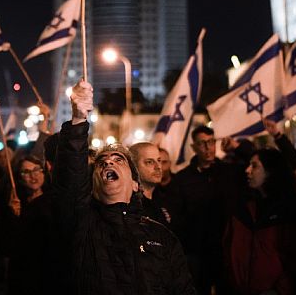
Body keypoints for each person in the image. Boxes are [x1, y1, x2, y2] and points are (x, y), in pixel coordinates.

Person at [54, 80, 195, 294]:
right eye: (102, 163)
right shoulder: (82, 225)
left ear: (135, 183)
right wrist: (78, 120)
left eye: (118, 160)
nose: (108, 163)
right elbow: (70, 177)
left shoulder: (160, 235)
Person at [166, 125, 247, 295]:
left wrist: (238, 148)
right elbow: (176, 216)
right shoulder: (182, 179)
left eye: (211, 142)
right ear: (193, 147)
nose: (208, 147)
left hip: (227, 249)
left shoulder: (229, 172)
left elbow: (254, 162)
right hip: (197, 252)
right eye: (202, 143)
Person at [222, 148, 296, 294]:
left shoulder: (289, 211)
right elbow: (227, 246)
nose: (247, 170)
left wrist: (280, 289)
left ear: (270, 171)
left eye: (254, 166)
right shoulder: (242, 208)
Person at [4, 155, 55, 294]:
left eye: (37, 169)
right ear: (19, 177)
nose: (33, 175)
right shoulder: (16, 203)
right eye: (26, 172)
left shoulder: (53, 201)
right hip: (22, 271)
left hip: (45, 270)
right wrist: (13, 216)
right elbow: (9, 243)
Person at [130, 142, 172, 226]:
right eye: (149, 162)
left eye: (159, 160)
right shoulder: (130, 205)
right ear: (133, 166)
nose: (158, 167)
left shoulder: (166, 197)